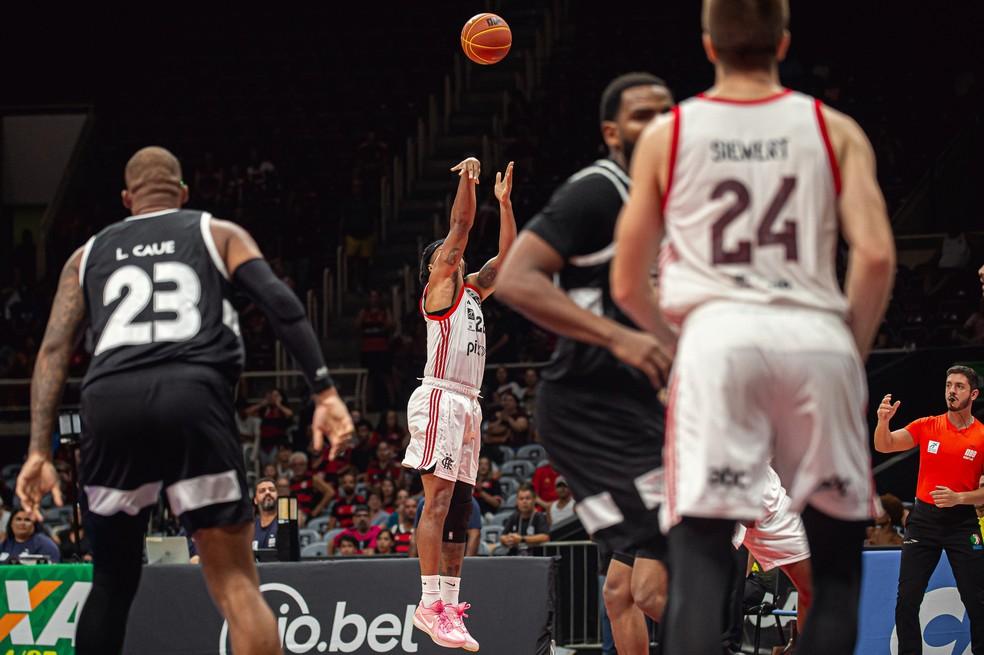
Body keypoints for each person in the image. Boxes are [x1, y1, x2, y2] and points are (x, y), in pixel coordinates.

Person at [610, 2, 896, 652]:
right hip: (815, 337)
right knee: (833, 573)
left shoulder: (668, 134)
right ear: (784, 42)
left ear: (708, 45)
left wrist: (688, 347)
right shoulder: (835, 129)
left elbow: (627, 283)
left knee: (702, 566)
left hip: (717, 343)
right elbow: (876, 256)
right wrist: (844, 350)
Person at [15, 147, 354, 655]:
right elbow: (281, 304)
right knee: (237, 584)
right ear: (184, 193)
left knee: (110, 582)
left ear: (128, 199)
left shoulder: (85, 255)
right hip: (191, 394)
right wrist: (324, 390)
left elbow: (53, 351)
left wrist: (38, 451)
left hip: (110, 402)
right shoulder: (215, 232)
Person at [497, 71, 675, 655]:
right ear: (612, 132)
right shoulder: (599, 190)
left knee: (630, 587)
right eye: (641, 115)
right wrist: (617, 339)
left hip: (647, 409)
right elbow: (517, 281)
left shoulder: (683, 199)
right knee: (657, 580)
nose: (658, 123)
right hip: (592, 410)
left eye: (666, 112)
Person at [401, 156, 516, 652]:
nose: (457, 257)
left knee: (460, 513)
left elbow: (509, 259)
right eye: (448, 255)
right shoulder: (439, 292)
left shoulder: (472, 292)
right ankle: (427, 602)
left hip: (470, 403)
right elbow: (462, 225)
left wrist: (506, 205)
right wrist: (470, 182)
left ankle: (448, 606)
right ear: (437, 264)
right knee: (438, 501)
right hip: (440, 396)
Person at [874, 365, 984, 654]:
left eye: (959, 386)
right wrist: (883, 421)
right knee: (907, 599)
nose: (951, 391)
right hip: (924, 521)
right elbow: (884, 445)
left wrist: (960, 498)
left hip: (962, 523)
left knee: (977, 600)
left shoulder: (982, 436)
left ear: (973, 394)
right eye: (948, 385)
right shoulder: (927, 425)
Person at [500, 484, 549, 555]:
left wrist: (522, 539)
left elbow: (545, 537)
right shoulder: (513, 517)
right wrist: (506, 539)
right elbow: (502, 536)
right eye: (521, 499)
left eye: (527, 498)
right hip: (515, 558)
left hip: (535, 559)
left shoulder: (539, 517)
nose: (524, 502)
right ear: (517, 501)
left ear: (534, 500)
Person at [252, 478, 278, 551]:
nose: (267, 492)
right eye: (262, 491)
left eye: (272, 490)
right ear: (255, 500)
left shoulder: (286, 523)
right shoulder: (250, 527)